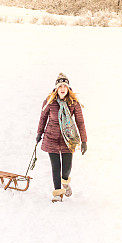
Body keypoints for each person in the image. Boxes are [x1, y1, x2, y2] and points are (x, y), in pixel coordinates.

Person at [36, 73, 87, 202]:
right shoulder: (49, 101)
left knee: (66, 168)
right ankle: (58, 193)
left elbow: (80, 122)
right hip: (51, 138)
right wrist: (39, 133)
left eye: (65, 86)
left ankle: (65, 182)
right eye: (60, 86)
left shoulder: (73, 103)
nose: (62, 88)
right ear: (56, 88)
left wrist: (84, 141)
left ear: (68, 88)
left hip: (68, 139)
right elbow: (43, 118)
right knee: (55, 166)